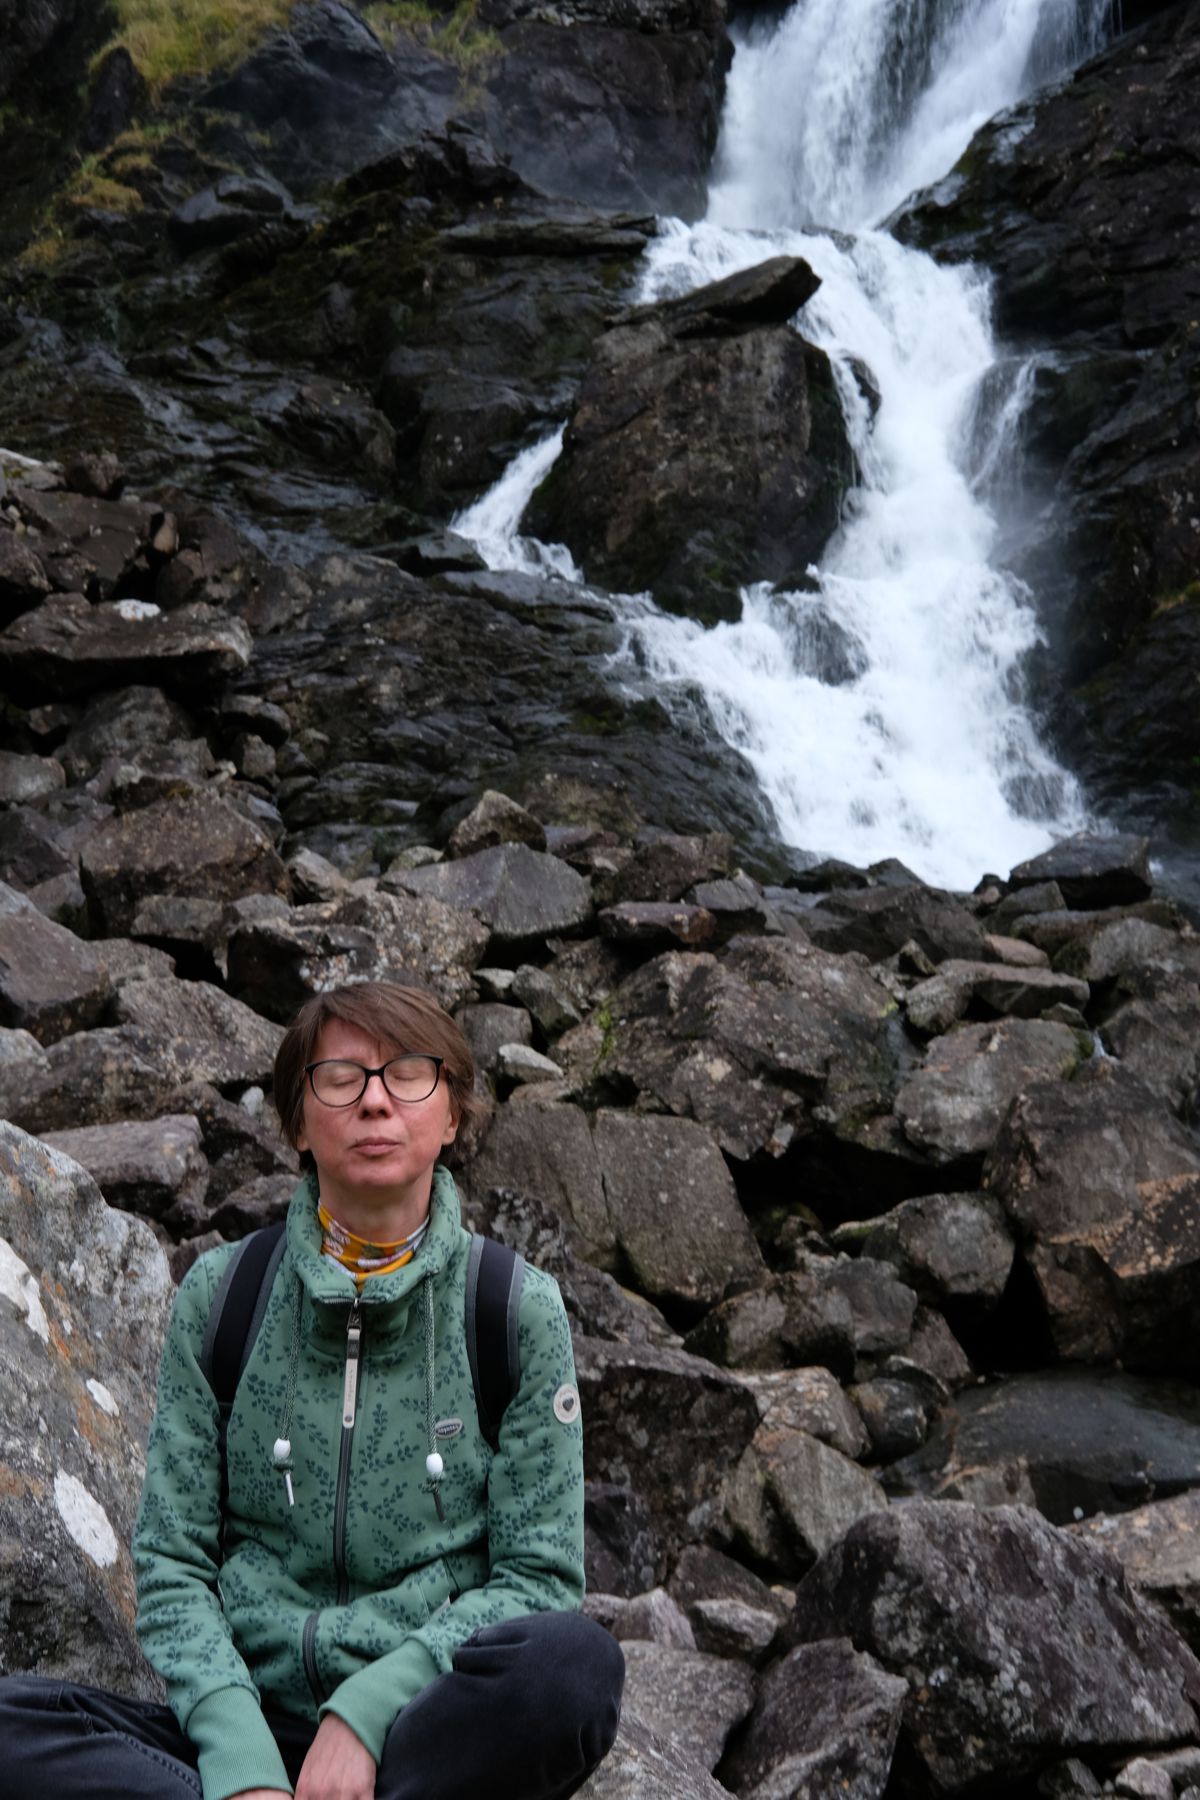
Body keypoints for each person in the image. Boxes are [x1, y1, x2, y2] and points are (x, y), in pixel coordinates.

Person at [0, 980, 624, 1800]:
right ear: (297, 1120)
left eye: (408, 1074)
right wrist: (243, 1764)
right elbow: (172, 1559)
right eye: (340, 1077)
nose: (375, 1103)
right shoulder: (226, 1295)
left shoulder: (510, 1308)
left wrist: (364, 1714)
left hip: (421, 1729)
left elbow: (539, 1580)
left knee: (572, 1669)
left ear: (454, 1113)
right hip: (239, 1726)